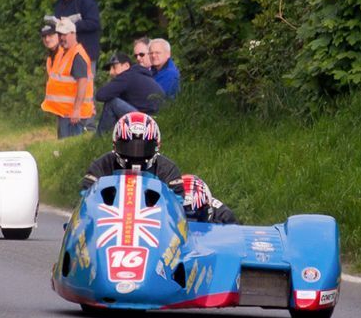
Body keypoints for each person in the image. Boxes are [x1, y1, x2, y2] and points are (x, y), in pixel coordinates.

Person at [81, 113, 237, 224]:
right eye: (129, 147)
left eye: (143, 148)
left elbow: (175, 207)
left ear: (157, 146)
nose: (136, 154)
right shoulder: (101, 165)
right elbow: (86, 199)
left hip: (152, 224)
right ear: (115, 145)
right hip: (111, 221)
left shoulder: (167, 169)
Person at [42, 16, 95, 138]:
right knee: (64, 149)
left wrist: (76, 110)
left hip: (73, 116)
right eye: (60, 34)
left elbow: (83, 83)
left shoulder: (77, 55)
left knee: (71, 150)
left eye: (65, 34)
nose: (62, 38)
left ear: (73, 33)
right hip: (65, 113)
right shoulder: (65, 53)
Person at [93, 47, 166, 130]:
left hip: (149, 121)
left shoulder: (127, 76)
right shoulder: (138, 75)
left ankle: (100, 138)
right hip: (160, 120)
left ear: (126, 65)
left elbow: (100, 95)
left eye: (114, 67)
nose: (111, 72)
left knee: (112, 102)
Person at [50, 0, 101, 64]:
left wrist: (72, 26)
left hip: (86, 53)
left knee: (85, 78)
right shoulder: (59, 4)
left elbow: (94, 23)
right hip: (66, 54)